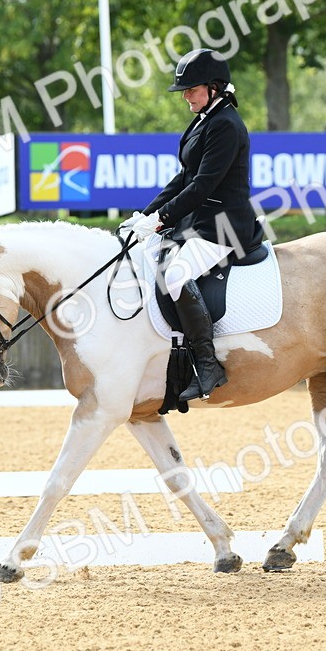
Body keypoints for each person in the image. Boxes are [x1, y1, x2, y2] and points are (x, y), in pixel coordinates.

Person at [121, 48, 263, 402]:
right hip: (199, 221)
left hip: (225, 226)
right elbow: (184, 177)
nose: (185, 96)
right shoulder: (204, 119)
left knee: (175, 276)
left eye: (191, 89)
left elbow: (203, 186)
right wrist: (146, 214)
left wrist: (161, 219)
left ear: (213, 87)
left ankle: (208, 364)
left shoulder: (227, 125)